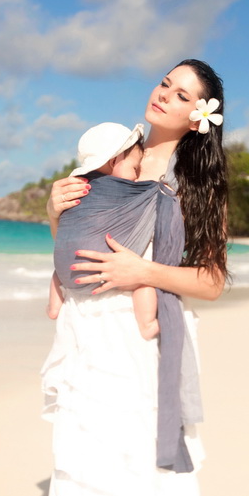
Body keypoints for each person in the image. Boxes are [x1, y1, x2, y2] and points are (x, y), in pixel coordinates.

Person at [41, 59, 229, 496]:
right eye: (165, 82)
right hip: (88, 342)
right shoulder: (111, 155)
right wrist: (53, 213)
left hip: (141, 352)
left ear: (197, 117)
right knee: (93, 484)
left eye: (182, 94)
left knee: (138, 490)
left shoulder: (191, 180)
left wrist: (141, 273)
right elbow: (71, 253)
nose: (164, 95)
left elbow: (211, 281)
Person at [47, 121, 160, 340]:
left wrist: (53, 214)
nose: (137, 177)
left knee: (58, 269)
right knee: (144, 281)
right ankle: (146, 323)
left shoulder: (76, 188)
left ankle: (53, 306)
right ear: (115, 160)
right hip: (99, 273)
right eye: (135, 169)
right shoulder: (124, 192)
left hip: (67, 272)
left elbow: (67, 233)